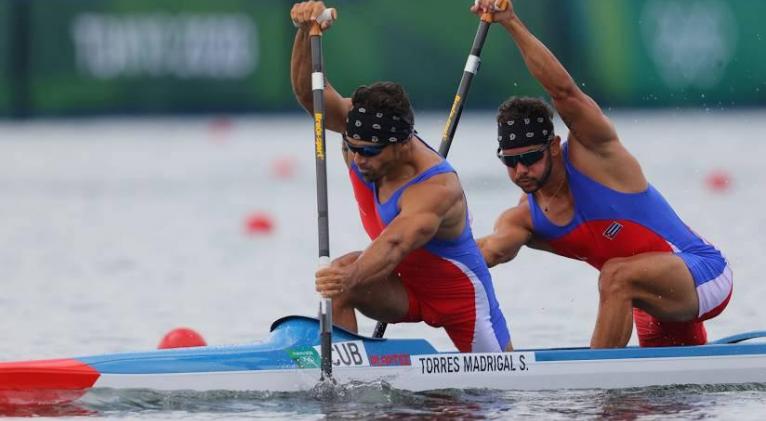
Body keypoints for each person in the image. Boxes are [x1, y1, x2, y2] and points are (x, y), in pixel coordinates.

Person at [471, 0, 732, 348]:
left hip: (704, 274)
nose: (521, 171)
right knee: (673, 400)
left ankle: (597, 387)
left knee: (615, 275)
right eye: (510, 161)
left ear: (553, 146)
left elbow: (564, 93)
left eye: (531, 157)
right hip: (650, 299)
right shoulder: (523, 218)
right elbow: (483, 253)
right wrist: (406, 260)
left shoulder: (595, 155)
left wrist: (510, 22)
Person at [290, 1, 511, 352]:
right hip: (403, 288)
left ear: (402, 143)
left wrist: (346, 278)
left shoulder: (437, 187)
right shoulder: (359, 127)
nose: (358, 159)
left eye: (370, 152)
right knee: (341, 282)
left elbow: (395, 245)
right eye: (352, 147)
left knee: (495, 401)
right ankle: (348, 380)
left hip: (462, 301)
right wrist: (304, 32)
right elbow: (309, 95)